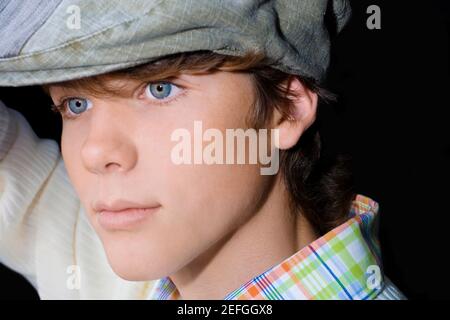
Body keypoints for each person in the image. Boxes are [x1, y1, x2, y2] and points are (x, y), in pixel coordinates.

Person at [0, 0, 405, 299]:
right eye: (75, 104)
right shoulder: (103, 266)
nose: (95, 151)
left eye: (160, 89)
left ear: (285, 108)